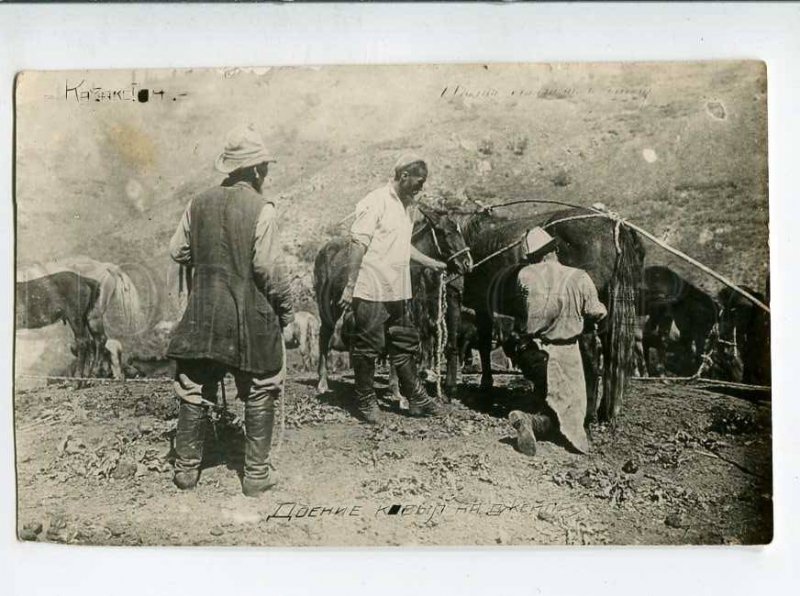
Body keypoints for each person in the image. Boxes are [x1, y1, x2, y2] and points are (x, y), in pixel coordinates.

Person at [166, 124, 294, 496]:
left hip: (204, 314)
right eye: (265, 168)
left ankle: (187, 470)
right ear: (255, 171)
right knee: (260, 385)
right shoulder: (262, 209)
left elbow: (178, 251)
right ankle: (255, 475)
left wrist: (209, 261)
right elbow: (268, 269)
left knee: (192, 386)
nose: (266, 174)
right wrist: (285, 315)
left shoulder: (197, 202)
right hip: (249, 318)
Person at [338, 153, 448, 423]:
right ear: (403, 176)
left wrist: (430, 262)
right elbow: (358, 244)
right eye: (418, 182)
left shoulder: (406, 207)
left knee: (403, 342)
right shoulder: (374, 202)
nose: (421, 187)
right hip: (371, 288)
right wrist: (350, 285)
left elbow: (401, 246)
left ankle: (417, 397)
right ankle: (365, 401)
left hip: (397, 288)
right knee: (368, 346)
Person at [507, 227, 607, 456]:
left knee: (552, 398)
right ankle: (531, 421)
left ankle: (534, 418)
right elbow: (595, 312)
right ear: (555, 249)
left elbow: (522, 311)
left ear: (532, 257)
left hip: (533, 354)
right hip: (566, 353)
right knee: (572, 416)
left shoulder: (524, 276)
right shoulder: (579, 277)